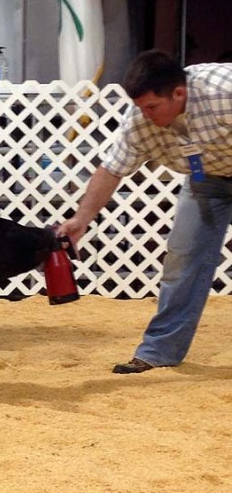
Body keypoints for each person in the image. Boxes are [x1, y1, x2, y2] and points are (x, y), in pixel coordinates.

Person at [58, 49, 232, 373]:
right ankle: (158, 352)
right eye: (140, 107)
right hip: (206, 181)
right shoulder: (139, 121)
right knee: (182, 260)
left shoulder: (224, 90)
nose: (145, 114)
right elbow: (111, 169)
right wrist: (81, 219)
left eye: (151, 106)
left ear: (179, 93)